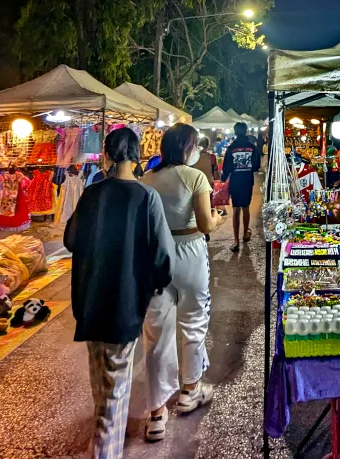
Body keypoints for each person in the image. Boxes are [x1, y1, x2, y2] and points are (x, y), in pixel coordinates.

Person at [64, 128, 174, 458]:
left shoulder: (93, 194)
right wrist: (158, 283)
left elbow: (71, 239)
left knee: (101, 378)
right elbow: (163, 256)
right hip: (124, 302)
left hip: (89, 300)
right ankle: (104, 449)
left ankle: (103, 438)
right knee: (114, 382)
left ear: (108, 157)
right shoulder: (145, 197)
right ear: (138, 157)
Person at [141, 123, 224, 441]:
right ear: (188, 148)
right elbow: (204, 223)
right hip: (189, 253)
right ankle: (190, 391)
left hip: (157, 258)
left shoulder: (147, 180)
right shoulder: (195, 177)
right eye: (195, 147)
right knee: (192, 323)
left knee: (156, 334)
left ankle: (156, 414)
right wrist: (219, 218)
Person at [222, 122, 260, 252]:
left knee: (236, 210)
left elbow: (226, 167)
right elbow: (256, 165)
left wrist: (223, 178)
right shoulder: (252, 147)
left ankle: (236, 241)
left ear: (235, 131)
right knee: (246, 208)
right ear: (246, 131)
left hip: (235, 181)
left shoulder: (231, 147)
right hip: (247, 180)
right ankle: (245, 234)